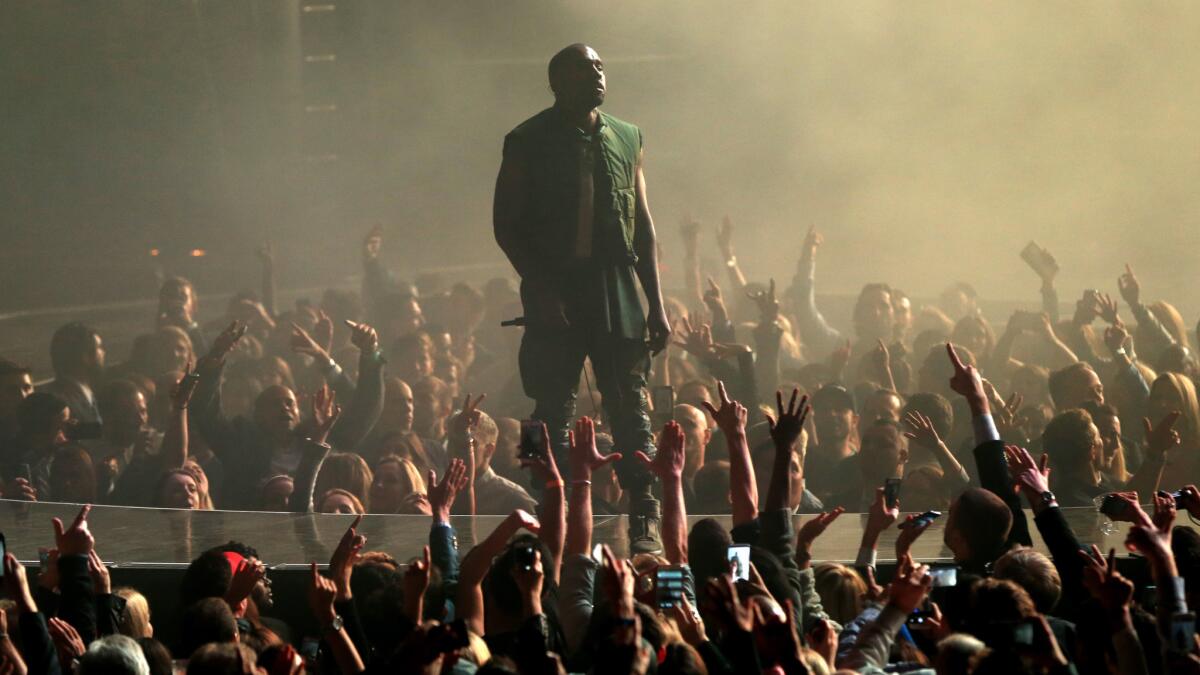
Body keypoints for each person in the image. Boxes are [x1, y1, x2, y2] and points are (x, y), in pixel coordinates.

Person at [493, 43, 670, 552]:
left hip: (617, 288)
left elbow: (644, 226)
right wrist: (540, 285)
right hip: (555, 289)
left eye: (600, 66)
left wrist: (655, 301)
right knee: (544, 409)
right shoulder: (526, 140)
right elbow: (506, 225)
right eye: (583, 67)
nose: (596, 74)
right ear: (557, 81)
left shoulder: (627, 136)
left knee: (632, 409)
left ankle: (645, 516)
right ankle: (544, 507)